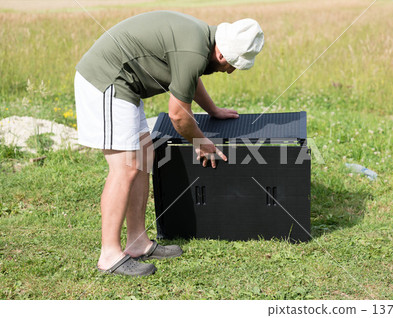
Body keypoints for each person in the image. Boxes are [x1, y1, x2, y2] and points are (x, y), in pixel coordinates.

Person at [74, 10, 264, 276]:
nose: (231, 72)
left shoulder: (202, 41)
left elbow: (187, 78)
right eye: (233, 65)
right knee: (126, 167)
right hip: (106, 80)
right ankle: (109, 255)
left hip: (126, 87)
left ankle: (137, 242)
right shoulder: (195, 50)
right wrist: (201, 142)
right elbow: (178, 115)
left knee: (142, 159)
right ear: (222, 55)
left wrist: (212, 110)